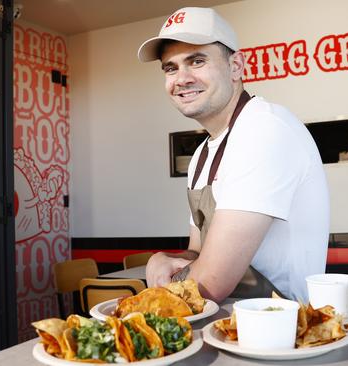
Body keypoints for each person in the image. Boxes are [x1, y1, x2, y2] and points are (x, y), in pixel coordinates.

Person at [139, 7, 329, 303]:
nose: (182, 78)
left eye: (197, 61)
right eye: (171, 68)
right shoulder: (203, 153)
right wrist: (162, 259)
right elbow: (199, 253)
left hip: (282, 332)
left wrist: (165, 279)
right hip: (226, 326)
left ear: (236, 66)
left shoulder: (264, 128)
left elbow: (211, 283)